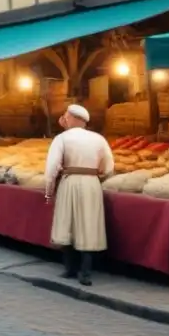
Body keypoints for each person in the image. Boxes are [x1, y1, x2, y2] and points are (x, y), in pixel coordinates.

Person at [44, 104, 114, 287]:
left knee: (68, 223)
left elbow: (51, 168)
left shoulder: (62, 138)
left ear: (73, 119)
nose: (64, 119)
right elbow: (108, 167)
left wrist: (48, 191)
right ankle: (85, 272)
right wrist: (97, 176)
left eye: (66, 117)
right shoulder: (99, 139)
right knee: (88, 224)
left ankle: (69, 268)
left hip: (69, 181)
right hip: (91, 184)